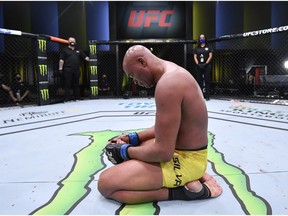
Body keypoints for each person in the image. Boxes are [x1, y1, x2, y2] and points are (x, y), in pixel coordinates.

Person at [98, 45, 222, 204]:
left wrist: (125, 151)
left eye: (132, 75)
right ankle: (193, 175)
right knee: (142, 145)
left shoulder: (168, 84)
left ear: (142, 62)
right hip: (191, 154)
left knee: (106, 183)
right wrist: (133, 138)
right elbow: (165, 130)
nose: (134, 81)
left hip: (186, 161)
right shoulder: (172, 73)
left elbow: (163, 152)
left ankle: (187, 192)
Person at [59, 37, 89, 102]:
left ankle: (77, 97)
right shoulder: (65, 50)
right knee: (67, 84)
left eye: (74, 41)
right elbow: (61, 60)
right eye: (71, 41)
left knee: (76, 84)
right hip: (68, 69)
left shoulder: (78, 50)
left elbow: (85, 57)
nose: (73, 42)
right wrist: (60, 68)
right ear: (68, 42)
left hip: (76, 69)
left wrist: (93, 60)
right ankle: (67, 98)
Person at [193, 34, 213, 101]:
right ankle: (200, 95)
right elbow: (195, 57)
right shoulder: (197, 48)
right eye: (201, 38)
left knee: (207, 80)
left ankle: (207, 95)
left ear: (205, 38)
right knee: (199, 80)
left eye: (203, 37)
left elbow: (210, 56)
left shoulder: (208, 47)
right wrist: (198, 64)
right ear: (199, 39)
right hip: (199, 65)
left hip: (207, 65)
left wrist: (206, 63)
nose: (202, 39)